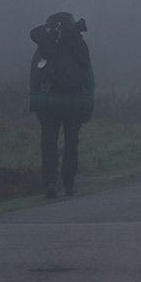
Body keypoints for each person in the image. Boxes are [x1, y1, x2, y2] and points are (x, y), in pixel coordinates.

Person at [29, 11, 95, 198]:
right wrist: (89, 101)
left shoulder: (45, 45)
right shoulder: (78, 44)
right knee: (71, 143)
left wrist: (36, 100)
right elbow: (89, 76)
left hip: (49, 102)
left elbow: (35, 76)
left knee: (49, 143)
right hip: (74, 102)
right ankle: (69, 184)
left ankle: (50, 183)